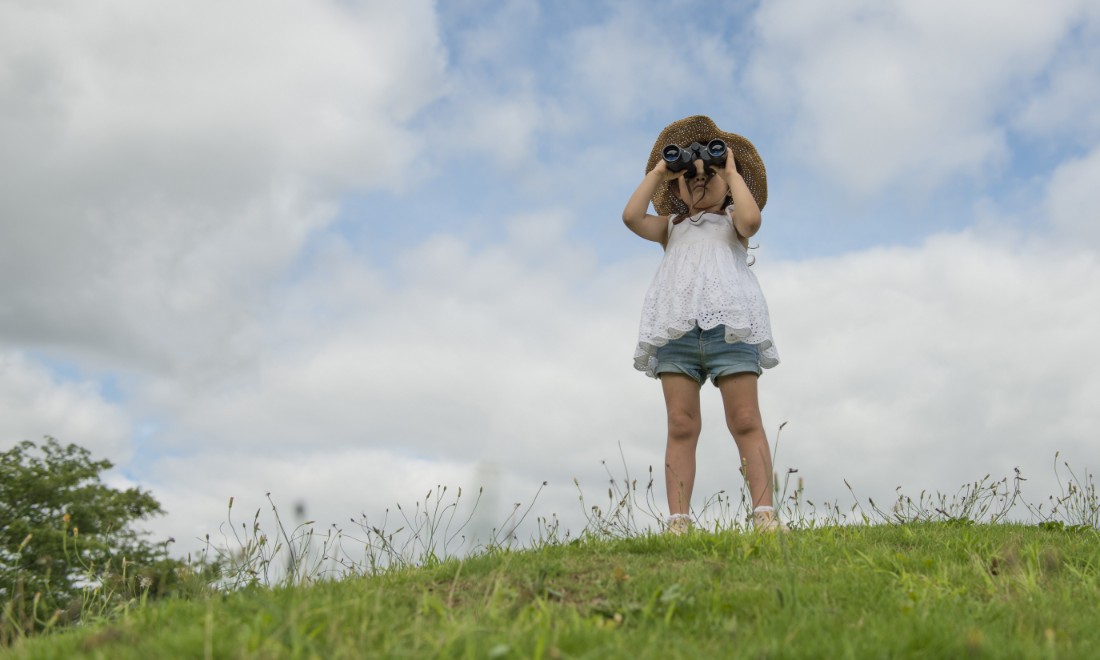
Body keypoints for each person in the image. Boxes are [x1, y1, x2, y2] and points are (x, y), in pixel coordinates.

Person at [622, 115, 785, 534]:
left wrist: (729, 169)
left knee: (746, 419)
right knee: (681, 425)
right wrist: (662, 168)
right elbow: (630, 216)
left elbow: (752, 220)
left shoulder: (733, 223)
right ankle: (679, 521)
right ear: (674, 187)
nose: (698, 180)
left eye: (709, 175)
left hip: (729, 328)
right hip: (677, 332)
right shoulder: (670, 228)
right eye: (688, 176)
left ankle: (764, 515)